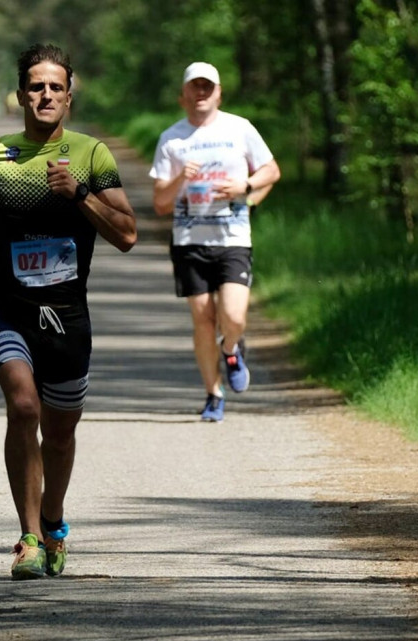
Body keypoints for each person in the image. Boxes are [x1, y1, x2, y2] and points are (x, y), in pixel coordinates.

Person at [0, 44, 137, 580]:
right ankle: (29, 538)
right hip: (6, 309)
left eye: (56, 87)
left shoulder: (91, 155)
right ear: (20, 95)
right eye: (36, 86)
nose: (46, 95)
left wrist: (79, 194)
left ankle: (53, 521)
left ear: (69, 97)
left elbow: (127, 234)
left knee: (58, 434)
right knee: (24, 407)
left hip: (67, 319)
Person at [149, 62, 281, 423]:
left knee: (233, 316)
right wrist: (180, 178)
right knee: (203, 319)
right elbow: (160, 203)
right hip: (189, 242)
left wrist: (246, 188)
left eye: (208, 86)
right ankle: (214, 394)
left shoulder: (240, 128)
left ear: (219, 94)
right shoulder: (171, 140)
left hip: (233, 238)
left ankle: (232, 348)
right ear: (183, 96)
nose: (201, 92)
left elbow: (272, 170)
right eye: (195, 86)